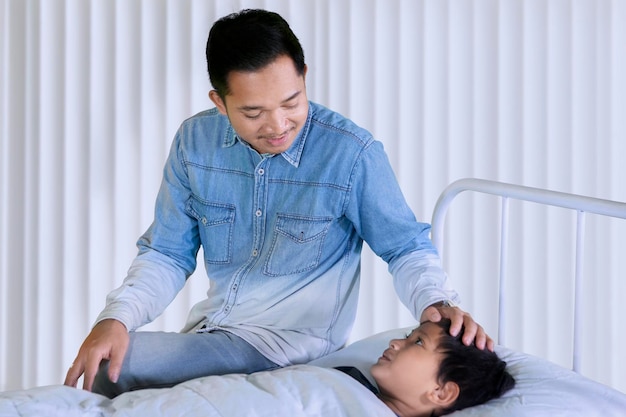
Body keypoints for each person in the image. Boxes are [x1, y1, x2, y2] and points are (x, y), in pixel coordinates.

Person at [64, 8, 492, 398]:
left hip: (287, 346)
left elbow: (404, 247)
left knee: (120, 369)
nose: (277, 125)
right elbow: (167, 253)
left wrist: (437, 301)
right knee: (113, 353)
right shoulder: (195, 142)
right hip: (211, 332)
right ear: (220, 102)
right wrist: (116, 317)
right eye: (253, 113)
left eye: (292, 102)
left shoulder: (351, 153)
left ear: (304, 75)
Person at [337, 319, 515, 417]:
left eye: (418, 342)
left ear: (441, 392)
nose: (394, 343)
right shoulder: (348, 377)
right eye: (408, 337)